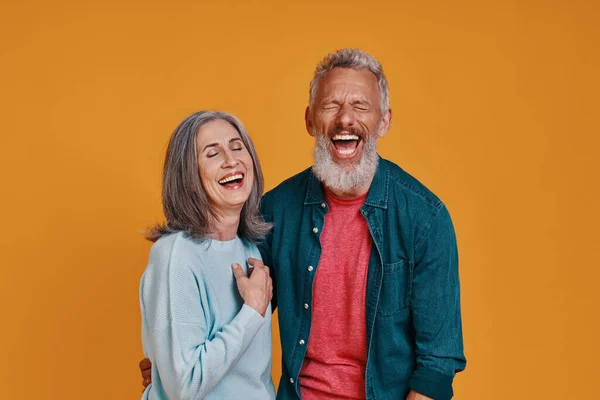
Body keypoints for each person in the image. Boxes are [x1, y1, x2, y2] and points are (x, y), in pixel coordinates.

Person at [141, 49, 466, 400]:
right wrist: (169, 364)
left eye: (360, 106)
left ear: (383, 121)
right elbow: (231, 306)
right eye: (330, 107)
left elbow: (437, 365)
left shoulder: (425, 218)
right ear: (310, 120)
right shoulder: (276, 211)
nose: (345, 119)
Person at [139, 110, 276, 400]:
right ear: (188, 179)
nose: (231, 160)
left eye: (237, 147)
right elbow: (185, 386)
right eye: (212, 154)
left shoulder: (250, 251)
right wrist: (251, 313)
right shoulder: (175, 256)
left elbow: (252, 381)